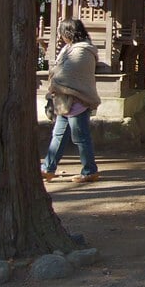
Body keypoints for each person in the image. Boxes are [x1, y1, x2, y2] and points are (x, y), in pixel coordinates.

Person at [41, 18, 101, 183]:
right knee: (58, 135)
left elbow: (67, 75)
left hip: (79, 101)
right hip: (65, 101)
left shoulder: (82, 51)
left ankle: (90, 170)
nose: (61, 37)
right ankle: (48, 168)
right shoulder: (71, 49)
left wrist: (54, 82)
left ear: (68, 33)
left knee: (81, 137)